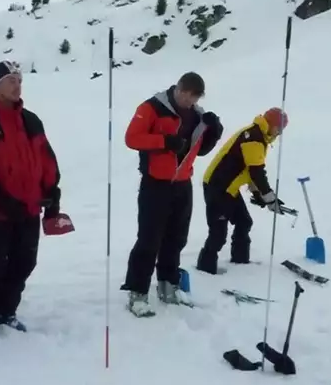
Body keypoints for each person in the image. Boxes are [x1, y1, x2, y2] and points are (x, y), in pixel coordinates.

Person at [0, 61, 72, 348]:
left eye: (19, 80)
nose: (17, 85)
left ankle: (4, 310)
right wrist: (1, 200)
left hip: (29, 208)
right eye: (10, 80)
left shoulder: (31, 121)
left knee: (24, 262)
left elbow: (46, 160)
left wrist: (52, 192)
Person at [120, 72, 224, 316]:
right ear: (179, 90)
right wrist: (164, 141)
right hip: (155, 184)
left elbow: (200, 151)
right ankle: (137, 292)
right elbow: (131, 138)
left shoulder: (196, 114)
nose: (192, 103)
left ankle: (168, 285)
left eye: (195, 99)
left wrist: (213, 131)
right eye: (189, 97)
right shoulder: (152, 107)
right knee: (149, 239)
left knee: (176, 238)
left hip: (182, 183)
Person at [196, 108, 288, 275]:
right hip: (217, 186)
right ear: (272, 124)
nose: (279, 133)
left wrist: (258, 195)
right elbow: (256, 172)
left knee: (244, 221)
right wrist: (269, 198)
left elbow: (248, 170)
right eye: (279, 129)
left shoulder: (258, 136)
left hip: (229, 188)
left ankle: (240, 262)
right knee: (218, 233)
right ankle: (205, 270)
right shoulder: (254, 138)